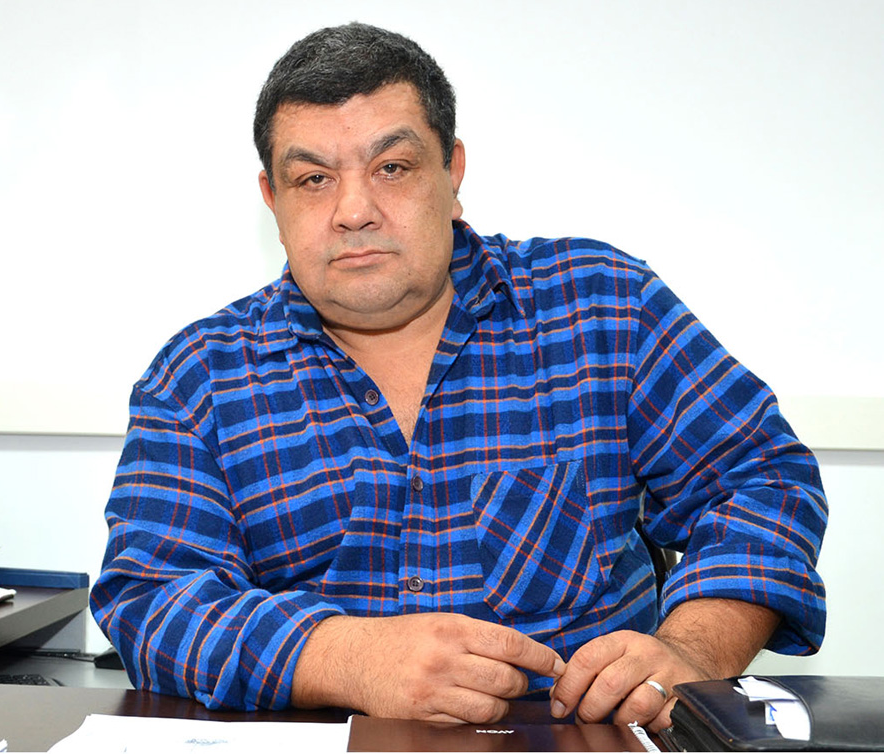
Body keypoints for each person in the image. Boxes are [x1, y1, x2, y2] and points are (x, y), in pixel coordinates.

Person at [90, 22, 827, 730]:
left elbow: (763, 482)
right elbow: (149, 596)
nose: (353, 210)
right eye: (313, 179)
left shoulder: (601, 306)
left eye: (392, 168)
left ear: (453, 172)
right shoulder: (198, 377)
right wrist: (345, 658)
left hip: (574, 736)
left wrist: (695, 651)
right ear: (272, 200)